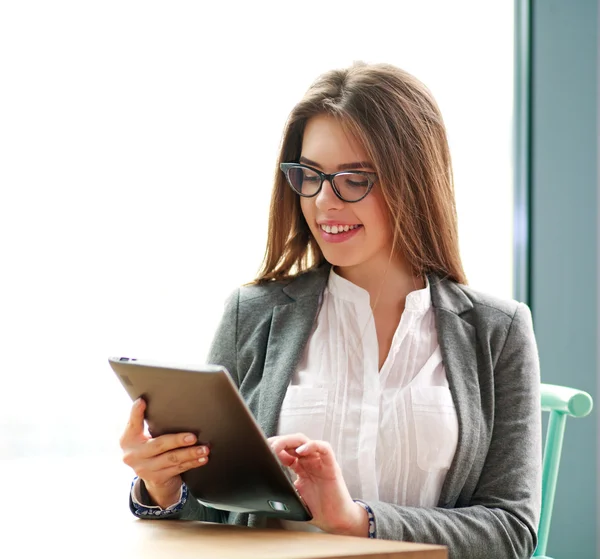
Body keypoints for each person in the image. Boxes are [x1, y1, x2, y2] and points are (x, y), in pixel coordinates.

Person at [119, 62, 541, 559]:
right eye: (310, 176)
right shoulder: (252, 314)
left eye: (354, 179)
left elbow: (511, 531)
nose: (323, 202)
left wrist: (358, 520)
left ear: (416, 181)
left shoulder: (499, 331)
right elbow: (213, 511)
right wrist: (162, 487)